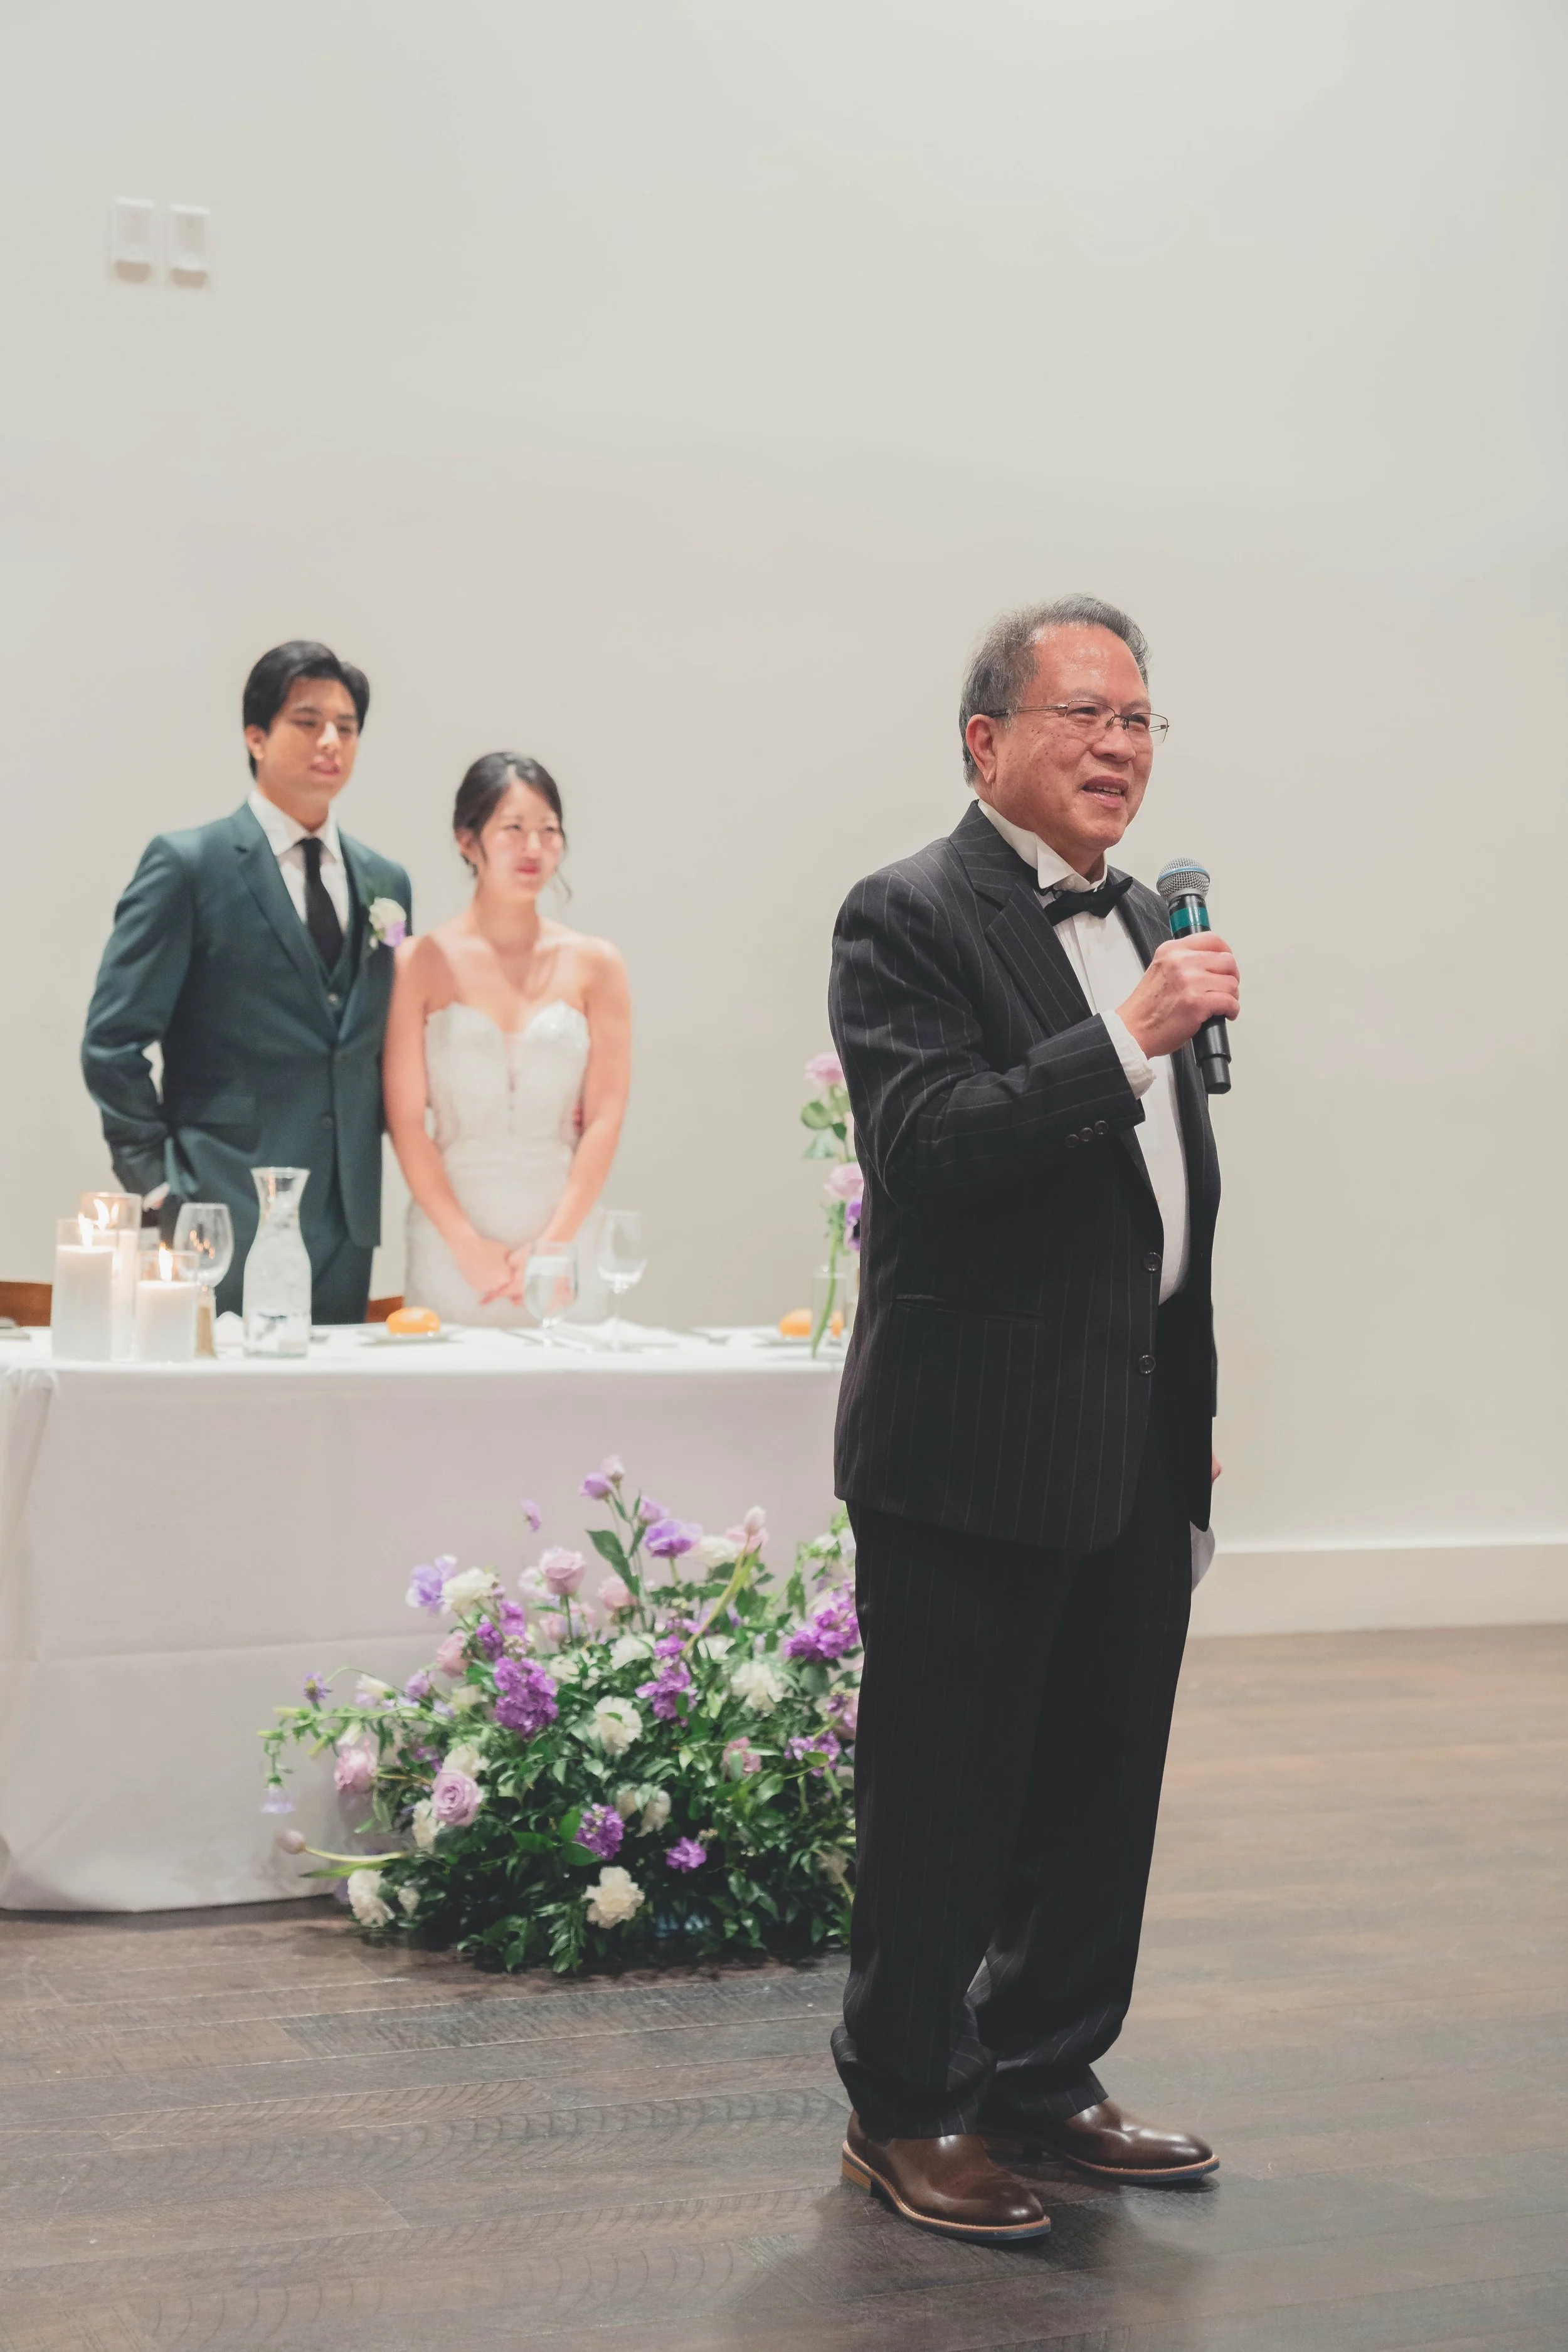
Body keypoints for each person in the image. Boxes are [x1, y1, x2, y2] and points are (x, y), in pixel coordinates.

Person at [827, 595, 1240, 2245]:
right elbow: (926, 1145)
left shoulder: (1145, 908)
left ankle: (1045, 2072)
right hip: (970, 1434)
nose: (1117, 744)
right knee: (946, 1791)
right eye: (1083, 713)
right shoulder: (906, 912)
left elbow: (1166, 1202)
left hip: (1129, 1427)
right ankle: (910, 2101)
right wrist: (1121, 1034)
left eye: (1138, 717)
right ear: (984, 739)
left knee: (1098, 1784)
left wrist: (1185, 1396)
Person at [82, 642, 411, 1322]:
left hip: (345, 1219)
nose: (331, 742)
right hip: (218, 1205)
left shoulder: (387, 883)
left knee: (332, 1420)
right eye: (307, 721)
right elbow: (111, 1043)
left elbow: (379, 1035)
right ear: (255, 737)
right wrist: (159, 1190)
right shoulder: (189, 866)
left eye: (346, 728)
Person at [384, 753, 631, 1324]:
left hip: (565, 1239)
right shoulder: (419, 963)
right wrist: (465, 1246)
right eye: (513, 829)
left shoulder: (597, 965)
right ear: (468, 841)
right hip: (453, 1243)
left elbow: (604, 1119)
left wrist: (555, 1245)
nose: (534, 848)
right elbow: (404, 1122)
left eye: (549, 831)